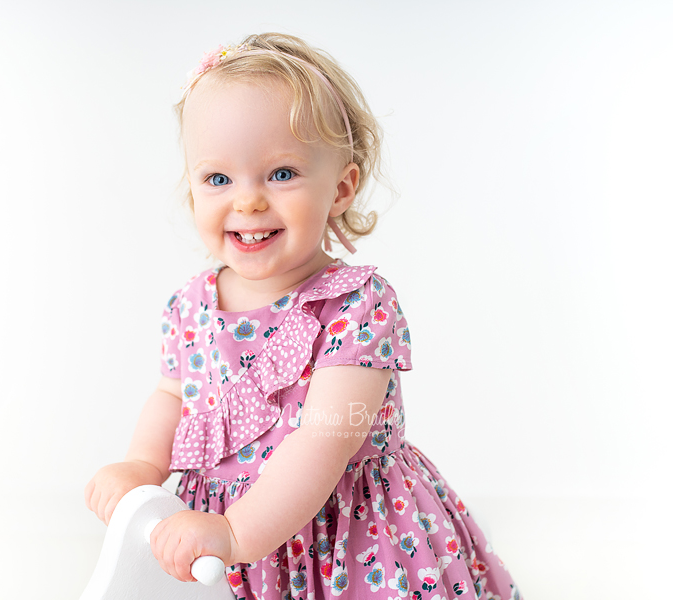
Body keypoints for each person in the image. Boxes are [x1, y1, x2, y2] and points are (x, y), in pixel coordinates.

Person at [85, 32, 522, 600]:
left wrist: (237, 531)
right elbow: (173, 396)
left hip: (345, 536)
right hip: (220, 542)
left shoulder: (356, 305)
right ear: (192, 191)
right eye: (218, 179)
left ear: (341, 188)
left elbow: (323, 441)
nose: (247, 202)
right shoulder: (189, 306)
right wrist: (142, 465)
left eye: (281, 174)